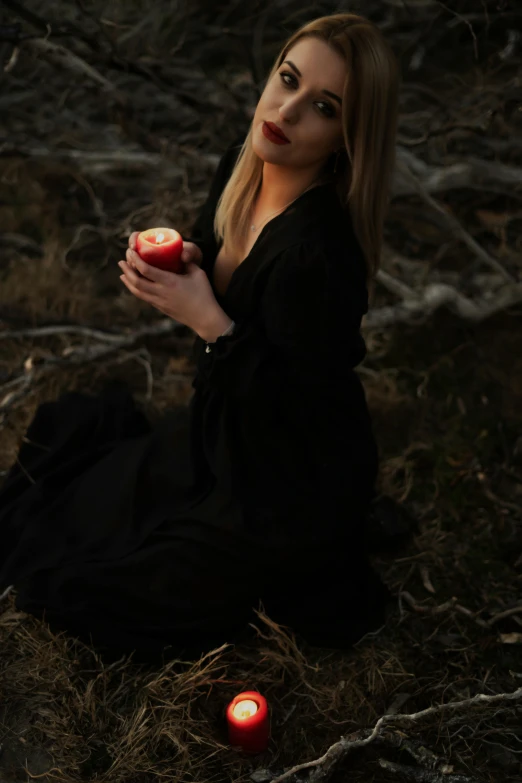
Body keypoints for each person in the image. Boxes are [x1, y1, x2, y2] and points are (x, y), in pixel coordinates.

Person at [0, 13, 400, 665]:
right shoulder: (242, 166)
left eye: (322, 107)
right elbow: (213, 252)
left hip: (288, 478)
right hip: (222, 438)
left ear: (347, 137)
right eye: (288, 79)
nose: (287, 109)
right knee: (75, 507)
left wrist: (209, 320)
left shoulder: (320, 256)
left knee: (110, 591)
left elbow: (292, 410)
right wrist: (183, 257)